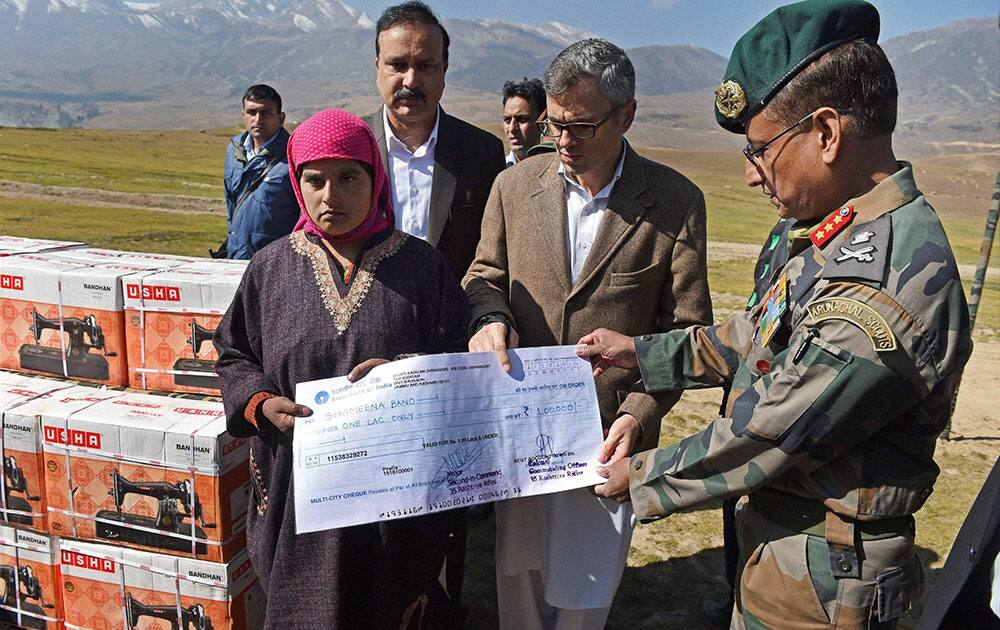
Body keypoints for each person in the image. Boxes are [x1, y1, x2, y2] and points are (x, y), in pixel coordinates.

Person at [576, 1, 974, 627]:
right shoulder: (825, 229)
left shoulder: (883, 285)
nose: (750, 173)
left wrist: (642, 475)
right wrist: (644, 353)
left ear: (825, 133)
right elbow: (763, 336)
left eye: (760, 149)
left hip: (830, 586)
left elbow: (776, 427)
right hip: (783, 548)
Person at [463, 38, 712, 629]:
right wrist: (490, 318)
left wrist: (640, 415)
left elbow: (686, 331)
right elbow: (483, 276)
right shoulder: (514, 188)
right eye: (555, 125)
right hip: (519, 436)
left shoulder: (676, 202)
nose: (563, 142)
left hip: (606, 442)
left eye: (581, 126)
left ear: (626, 115)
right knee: (516, 584)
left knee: (585, 595)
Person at [213, 109, 470, 629]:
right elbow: (234, 353)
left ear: (375, 180)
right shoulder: (271, 266)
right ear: (297, 181)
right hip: (295, 492)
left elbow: (460, 360)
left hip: (395, 495)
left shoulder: (422, 268)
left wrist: (406, 376)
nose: (332, 196)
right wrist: (261, 404)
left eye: (349, 178)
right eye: (315, 179)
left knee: (388, 603)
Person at [363, 1, 505, 280]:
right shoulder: (351, 144)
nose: (411, 81)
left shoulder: (482, 153)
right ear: (378, 68)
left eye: (426, 66)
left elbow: (494, 257)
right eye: (398, 65)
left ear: (444, 70)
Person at [220, 84, 299, 259]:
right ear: (243, 116)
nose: (258, 119)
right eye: (251, 112)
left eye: (265, 113)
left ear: (281, 118)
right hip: (236, 259)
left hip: (276, 264)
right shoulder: (233, 152)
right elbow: (231, 206)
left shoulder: (294, 156)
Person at [501, 77, 546, 166]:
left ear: (542, 121)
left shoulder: (559, 170)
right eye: (507, 120)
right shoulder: (496, 170)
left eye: (521, 119)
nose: (512, 128)